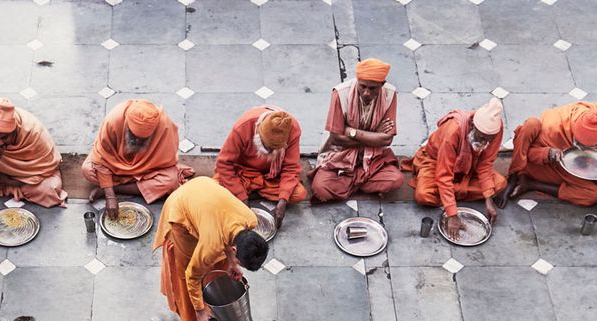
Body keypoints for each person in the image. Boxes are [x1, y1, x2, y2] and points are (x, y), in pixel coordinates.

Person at [153, 176, 268, 321]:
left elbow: (229, 234)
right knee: (189, 266)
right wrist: (200, 311)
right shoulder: (211, 245)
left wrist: (233, 263)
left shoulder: (250, 219)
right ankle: (193, 319)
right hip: (179, 207)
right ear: (235, 250)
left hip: (203, 187)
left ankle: (209, 297)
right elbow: (191, 276)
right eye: (240, 261)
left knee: (214, 261)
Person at [409, 97, 506, 241]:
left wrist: (488, 198)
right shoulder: (453, 132)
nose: (485, 143)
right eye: (481, 137)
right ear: (472, 125)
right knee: (423, 195)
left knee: (500, 183)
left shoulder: (495, 130)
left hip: (469, 166)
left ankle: (450, 194)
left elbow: (485, 163)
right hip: (437, 162)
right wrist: (452, 215)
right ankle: (455, 195)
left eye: (488, 140)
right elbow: (443, 175)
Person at [310, 58, 404, 202]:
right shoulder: (340, 93)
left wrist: (351, 132)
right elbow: (336, 138)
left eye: (372, 88)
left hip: (373, 158)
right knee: (320, 188)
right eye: (363, 86)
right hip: (340, 155)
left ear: (382, 85)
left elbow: (387, 140)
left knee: (395, 180)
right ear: (357, 80)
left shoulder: (390, 94)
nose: (366, 93)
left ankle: (348, 183)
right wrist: (374, 137)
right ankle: (363, 182)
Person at [500, 101, 597, 207]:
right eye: (579, 143)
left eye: (591, 146)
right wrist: (547, 153)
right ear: (574, 129)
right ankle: (515, 176)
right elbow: (527, 154)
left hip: (574, 170)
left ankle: (531, 184)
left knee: (592, 195)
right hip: (538, 163)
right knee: (531, 124)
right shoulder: (554, 124)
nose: (583, 149)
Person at [84, 99, 192, 212]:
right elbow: (102, 159)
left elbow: (167, 160)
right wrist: (109, 197)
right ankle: (125, 185)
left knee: (171, 181)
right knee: (87, 170)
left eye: (143, 139)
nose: (136, 141)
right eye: (133, 135)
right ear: (126, 125)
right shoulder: (113, 120)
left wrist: (109, 191)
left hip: (148, 170)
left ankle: (114, 188)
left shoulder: (165, 127)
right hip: (114, 163)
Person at [215, 105, 304, 227]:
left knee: (298, 194)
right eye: (267, 147)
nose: (270, 152)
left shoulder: (292, 129)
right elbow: (223, 164)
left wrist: (283, 201)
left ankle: (253, 190)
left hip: (271, 177)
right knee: (215, 188)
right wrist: (242, 197)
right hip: (244, 171)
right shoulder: (244, 126)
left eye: (274, 149)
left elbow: (291, 168)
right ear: (258, 132)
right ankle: (251, 192)